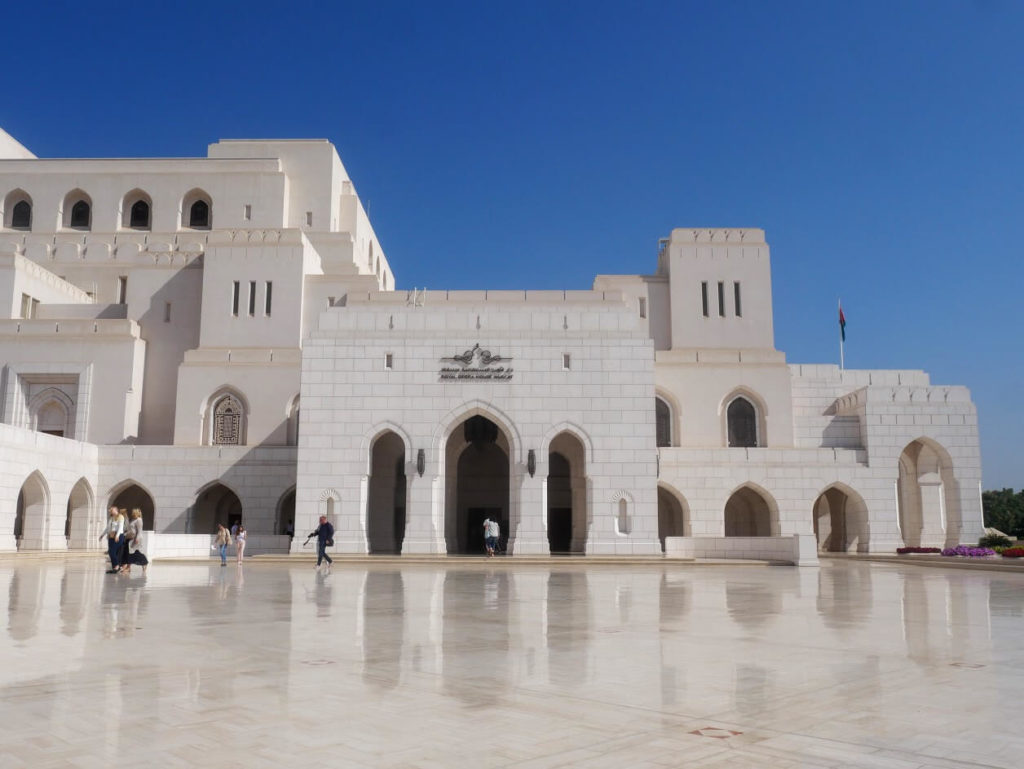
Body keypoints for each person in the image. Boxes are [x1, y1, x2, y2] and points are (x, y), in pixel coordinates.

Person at [121, 509, 149, 575]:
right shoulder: (133, 520)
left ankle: (144, 562)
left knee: (136, 552)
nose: (132, 513)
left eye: (133, 512)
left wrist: (137, 538)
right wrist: (125, 535)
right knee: (130, 553)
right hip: (130, 538)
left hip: (136, 539)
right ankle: (128, 567)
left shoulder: (139, 520)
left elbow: (139, 531)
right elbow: (131, 529)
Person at [99, 506, 125, 573]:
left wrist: (117, 535)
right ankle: (114, 567)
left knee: (113, 551)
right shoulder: (111, 518)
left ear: (116, 510)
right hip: (111, 536)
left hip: (118, 536)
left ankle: (117, 566)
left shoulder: (120, 516)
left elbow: (120, 527)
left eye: (112, 510)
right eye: (110, 510)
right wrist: (102, 535)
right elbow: (108, 528)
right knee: (111, 552)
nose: (110, 511)